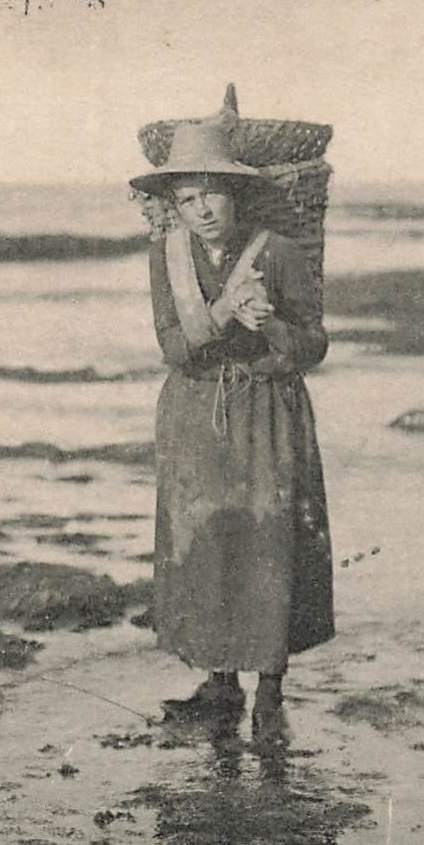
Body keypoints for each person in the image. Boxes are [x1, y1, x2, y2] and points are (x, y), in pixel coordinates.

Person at [129, 112, 335, 738]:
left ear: (236, 192)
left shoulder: (280, 253)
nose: (202, 210)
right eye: (187, 200)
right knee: (207, 543)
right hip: (195, 412)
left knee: (271, 543)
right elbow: (175, 347)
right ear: (175, 208)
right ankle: (219, 685)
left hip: (268, 410)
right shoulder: (167, 256)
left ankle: (269, 693)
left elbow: (313, 346)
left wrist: (269, 322)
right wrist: (222, 313)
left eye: (212, 194)